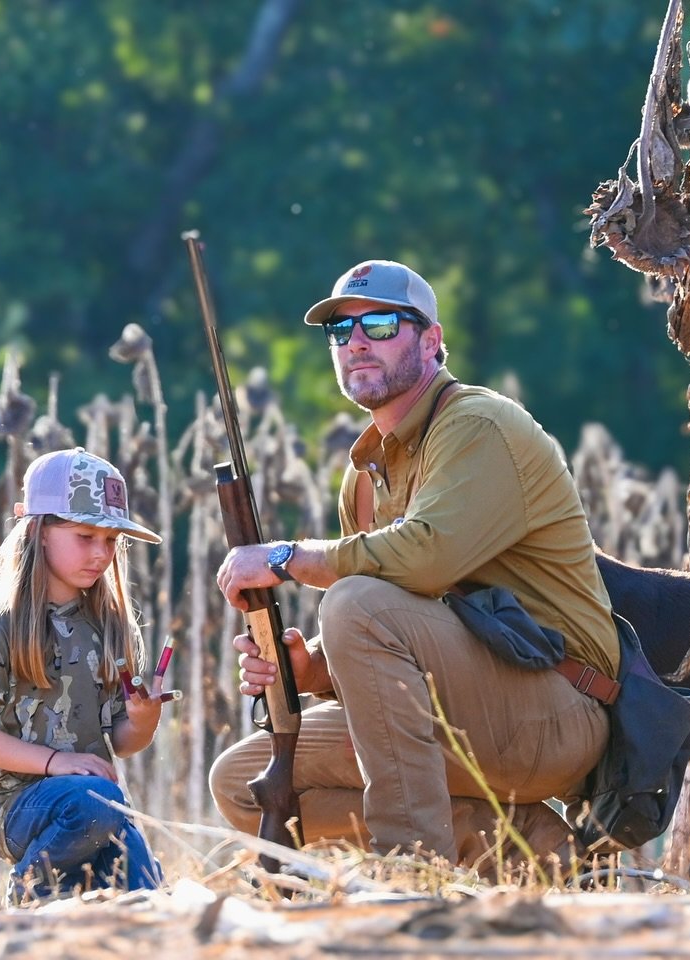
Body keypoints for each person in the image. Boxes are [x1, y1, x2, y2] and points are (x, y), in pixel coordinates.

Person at [209, 259, 621, 866]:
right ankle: (541, 853)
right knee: (241, 782)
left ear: (431, 340)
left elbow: (422, 564)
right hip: (461, 717)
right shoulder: (364, 475)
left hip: (555, 712)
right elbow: (402, 627)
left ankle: (410, 868)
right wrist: (311, 668)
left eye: (378, 326)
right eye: (339, 332)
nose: (355, 344)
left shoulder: (477, 425)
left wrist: (283, 557)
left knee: (354, 603)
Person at [0, 447, 170, 901]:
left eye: (111, 541)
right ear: (40, 532)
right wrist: (56, 763)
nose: (101, 553)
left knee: (148, 895)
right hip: (14, 802)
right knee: (91, 805)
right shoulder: (2, 629)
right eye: (86, 536)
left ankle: (68, 899)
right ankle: (28, 895)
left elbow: (121, 742)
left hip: (97, 806)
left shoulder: (112, 627)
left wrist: (144, 719)